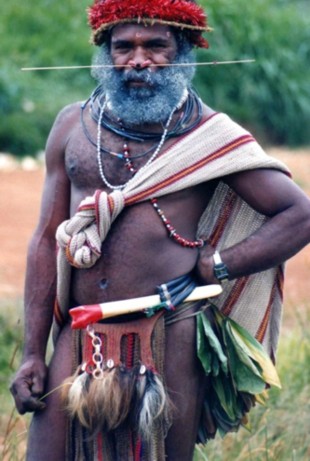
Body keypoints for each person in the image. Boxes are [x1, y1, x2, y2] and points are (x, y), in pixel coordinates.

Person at [10, 1, 310, 460]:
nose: (138, 60)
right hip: (79, 332)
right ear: (104, 54)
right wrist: (32, 352)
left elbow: (299, 214)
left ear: (183, 52)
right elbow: (45, 239)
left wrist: (224, 264)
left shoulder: (209, 137)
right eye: (123, 46)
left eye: (156, 46)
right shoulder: (73, 126)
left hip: (169, 335)